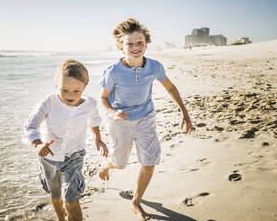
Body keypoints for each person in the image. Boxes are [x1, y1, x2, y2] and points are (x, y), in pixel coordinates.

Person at [99, 18, 193, 221]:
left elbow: (170, 87)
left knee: (149, 162)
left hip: (145, 118)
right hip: (120, 121)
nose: (135, 47)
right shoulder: (114, 71)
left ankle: (136, 200)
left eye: (139, 42)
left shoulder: (154, 67)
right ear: (120, 47)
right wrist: (112, 112)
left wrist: (184, 113)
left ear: (146, 44)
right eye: (129, 43)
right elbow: (103, 98)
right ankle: (107, 164)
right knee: (120, 163)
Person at [24, 59, 108, 221]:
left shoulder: (90, 104)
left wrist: (98, 138)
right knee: (55, 193)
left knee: (71, 198)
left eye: (77, 91)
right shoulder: (49, 102)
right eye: (64, 90)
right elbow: (30, 126)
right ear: (56, 86)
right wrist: (38, 144)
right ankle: (61, 218)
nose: (70, 96)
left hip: (74, 156)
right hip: (48, 158)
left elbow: (94, 121)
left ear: (84, 87)